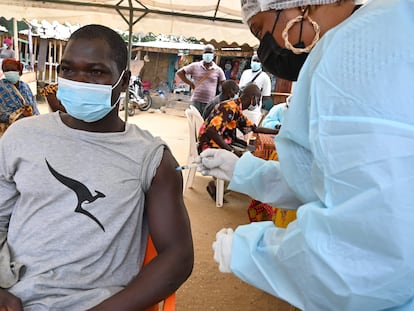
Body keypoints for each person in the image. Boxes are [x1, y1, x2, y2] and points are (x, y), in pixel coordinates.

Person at [197, 0, 414, 310]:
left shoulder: (357, 52)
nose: (265, 49)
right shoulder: (377, 31)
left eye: (262, 30)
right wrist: (244, 171)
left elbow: (367, 255)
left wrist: (254, 253)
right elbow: (326, 176)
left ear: (298, 5)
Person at [0, 24, 194, 310]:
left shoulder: (152, 159)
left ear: (124, 81)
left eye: (96, 71)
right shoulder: (21, 136)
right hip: (13, 295)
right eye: (67, 69)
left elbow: (177, 255)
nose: (79, 80)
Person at [198, 83, 278, 201]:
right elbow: (211, 131)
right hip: (209, 146)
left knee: (249, 154)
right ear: (253, 98)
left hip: (218, 142)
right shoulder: (228, 108)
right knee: (243, 161)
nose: (258, 102)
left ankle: (229, 185)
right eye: (258, 99)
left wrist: (278, 132)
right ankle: (216, 186)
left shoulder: (236, 108)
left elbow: (254, 128)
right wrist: (230, 150)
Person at [176, 44, 226, 115]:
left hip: (210, 102)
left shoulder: (218, 70)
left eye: (210, 53)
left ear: (214, 54)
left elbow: (224, 85)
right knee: (195, 122)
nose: (208, 55)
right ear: (203, 54)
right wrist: (190, 83)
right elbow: (180, 73)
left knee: (206, 123)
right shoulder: (195, 66)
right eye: (206, 52)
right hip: (196, 100)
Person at [0, 58, 39, 136]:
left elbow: (33, 104)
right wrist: (19, 115)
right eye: (7, 71)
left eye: (13, 70)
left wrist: (36, 118)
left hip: (29, 127)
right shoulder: (1, 87)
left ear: (19, 71)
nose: (10, 73)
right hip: (8, 131)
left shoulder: (25, 86)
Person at [238, 53, 272, 125]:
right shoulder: (245, 73)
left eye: (258, 61)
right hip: (241, 108)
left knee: (251, 131)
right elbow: (240, 88)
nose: (255, 63)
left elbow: (266, 96)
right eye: (254, 60)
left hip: (254, 111)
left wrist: (256, 100)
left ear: (261, 63)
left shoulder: (265, 77)